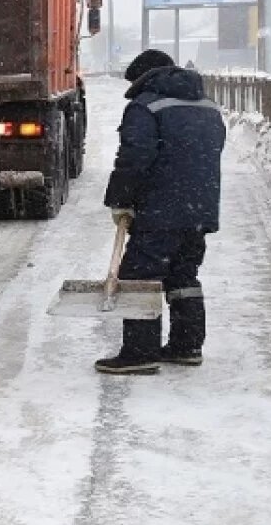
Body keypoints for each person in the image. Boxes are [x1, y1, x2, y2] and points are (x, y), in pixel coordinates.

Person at [96, 49, 226, 375]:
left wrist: (121, 199)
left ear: (145, 79)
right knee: (183, 274)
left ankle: (140, 354)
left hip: (160, 209)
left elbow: (135, 156)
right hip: (200, 209)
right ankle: (186, 346)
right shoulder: (206, 105)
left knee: (140, 275)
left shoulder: (146, 106)